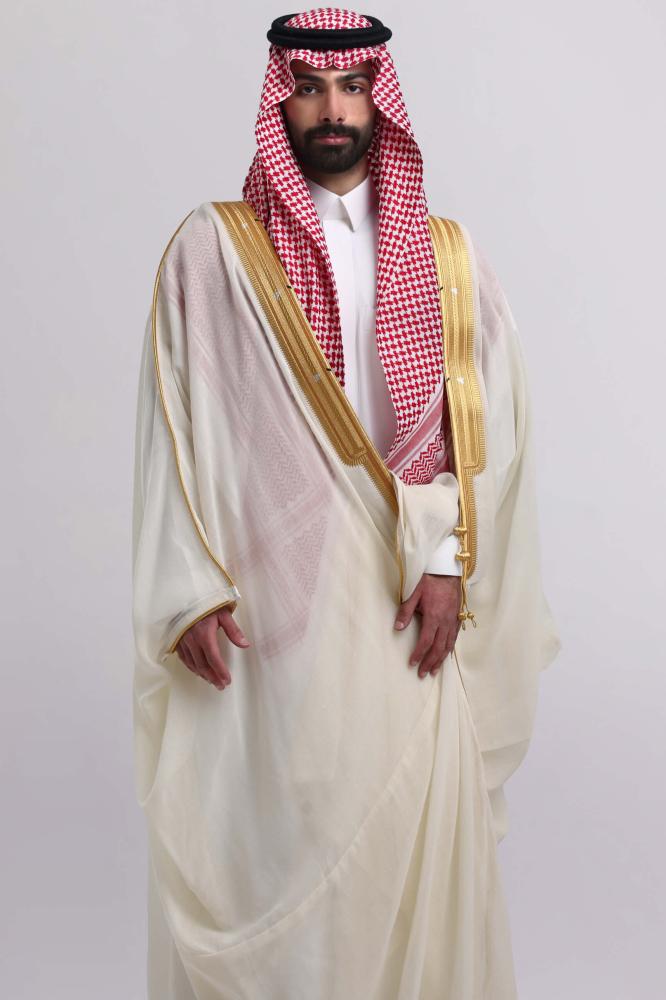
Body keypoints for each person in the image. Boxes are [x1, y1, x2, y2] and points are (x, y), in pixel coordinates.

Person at [131, 9, 561, 999]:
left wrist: (447, 560)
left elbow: (488, 428)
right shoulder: (215, 251)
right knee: (284, 834)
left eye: (353, 86)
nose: (332, 109)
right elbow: (171, 414)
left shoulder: (449, 257)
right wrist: (189, 588)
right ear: (279, 101)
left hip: (404, 598)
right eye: (309, 88)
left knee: (400, 833)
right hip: (271, 606)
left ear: (380, 101)